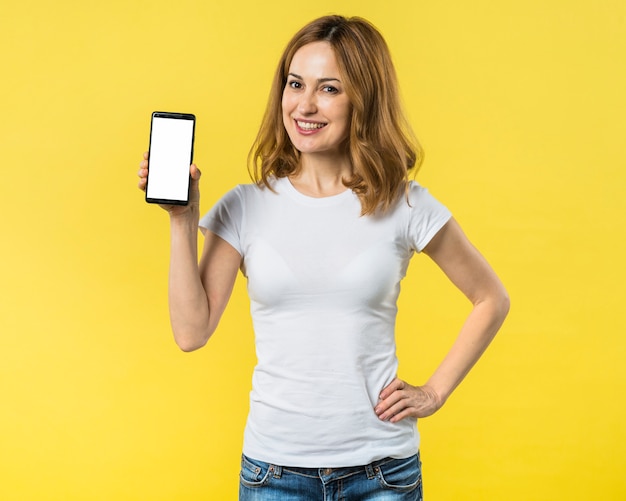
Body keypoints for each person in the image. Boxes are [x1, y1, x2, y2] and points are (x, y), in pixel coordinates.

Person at [137, 15, 509, 501]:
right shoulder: (245, 206)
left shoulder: (405, 204)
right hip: (274, 473)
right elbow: (191, 332)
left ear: (363, 99)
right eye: (295, 84)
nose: (304, 105)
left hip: (382, 473)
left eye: (329, 88)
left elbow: (490, 298)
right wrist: (182, 219)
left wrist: (434, 392)